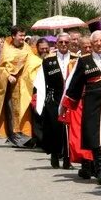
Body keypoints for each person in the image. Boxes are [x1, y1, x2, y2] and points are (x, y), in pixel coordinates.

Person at [60, 30, 101, 185]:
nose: (98, 44)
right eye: (95, 41)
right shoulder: (84, 61)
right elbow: (75, 84)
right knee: (94, 134)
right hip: (92, 102)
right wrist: (67, 104)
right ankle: (100, 168)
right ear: (91, 44)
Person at [0, 26, 36, 144]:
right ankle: (15, 136)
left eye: (23, 35)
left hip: (24, 84)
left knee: (25, 108)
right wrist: (8, 75)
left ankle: (26, 134)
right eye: (20, 35)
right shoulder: (7, 49)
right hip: (10, 85)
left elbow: (33, 62)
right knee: (12, 110)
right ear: (13, 36)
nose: (22, 38)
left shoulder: (27, 48)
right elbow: (0, 67)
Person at [33, 36, 69, 168]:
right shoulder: (48, 60)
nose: (64, 44)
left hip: (71, 97)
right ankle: (55, 153)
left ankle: (67, 156)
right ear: (57, 44)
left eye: (66, 42)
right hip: (54, 97)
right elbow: (41, 82)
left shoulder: (76, 58)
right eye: (61, 42)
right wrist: (41, 102)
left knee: (69, 129)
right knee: (55, 127)